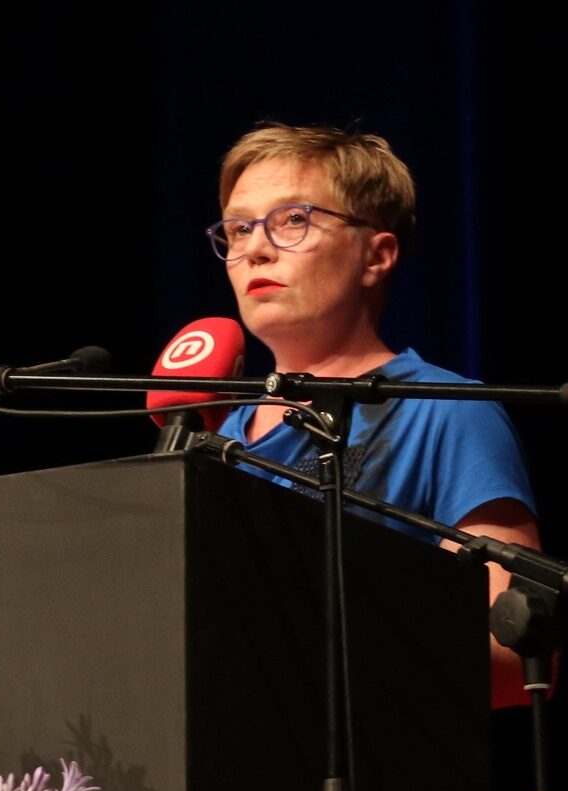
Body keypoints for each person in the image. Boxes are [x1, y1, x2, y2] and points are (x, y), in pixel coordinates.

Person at [208, 122, 542, 709]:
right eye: (238, 228)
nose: (255, 248)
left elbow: (515, 656)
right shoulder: (211, 443)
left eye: (293, 219)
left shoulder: (446, 413)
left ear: (377, 255)